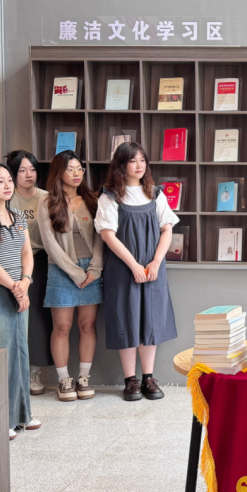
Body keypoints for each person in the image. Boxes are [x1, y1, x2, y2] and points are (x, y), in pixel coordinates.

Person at [96, 141, 177, 401]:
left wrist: (155, 262)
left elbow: (167, 229)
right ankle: (130, 380)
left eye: (142, 160)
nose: (139, 165)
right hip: (122, 269)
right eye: (133, 160)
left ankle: (148, 378)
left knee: (150, 319)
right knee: (126, 319)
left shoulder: (155, 193)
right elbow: (108, 236)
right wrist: (133, 265)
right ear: (121, 165)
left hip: (153, 269)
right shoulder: (109, 196)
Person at [0, 160, 40, 439]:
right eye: (0, 181)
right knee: (1, 353)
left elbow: (27, 253)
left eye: (9, 180)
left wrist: (25, 282)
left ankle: (22, 415)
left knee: (21, 351)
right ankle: (0, 419)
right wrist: (15, 287)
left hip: (19, 289)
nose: (8, 185)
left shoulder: (17, 215)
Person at [38, 151, 104, 401]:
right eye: (70, 169)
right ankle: (64, 380)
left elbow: (101, 237)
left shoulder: (92, 199)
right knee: (62, 327)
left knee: (87, 325)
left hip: (91, 270)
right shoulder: (46, 202)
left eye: (80, 169)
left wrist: (94, 269)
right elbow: (50, 244)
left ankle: (83, 378)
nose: (77, 174)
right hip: (61, 269)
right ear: (58, 172)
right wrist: (75, 272)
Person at [8, 149, 54, 393]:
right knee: (14, 316)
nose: (29, 175)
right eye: (22, 170)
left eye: (32, 169)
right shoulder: (7, 198)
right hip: (11, 264)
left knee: (37, 319)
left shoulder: (47, 198)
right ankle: (14, 372)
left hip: (42, 262)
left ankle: (34, 373)